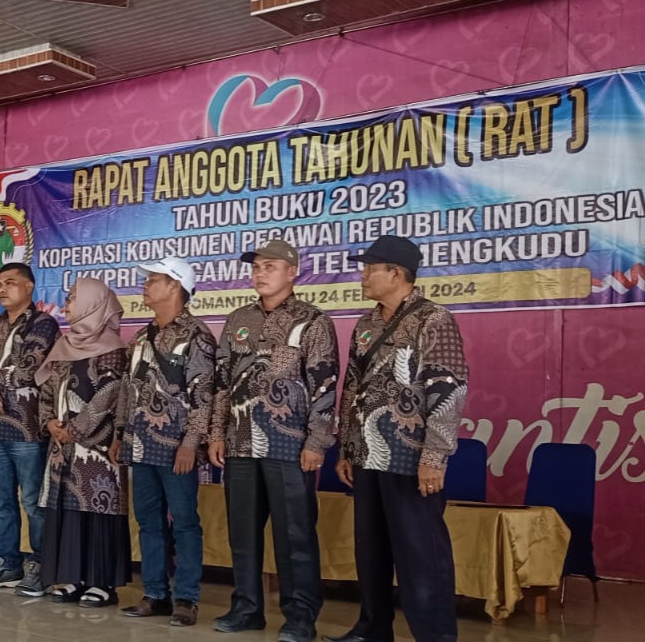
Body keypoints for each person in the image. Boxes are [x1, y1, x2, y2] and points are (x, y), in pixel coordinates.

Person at [326, 235, 468, 642]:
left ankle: (435, 635)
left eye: (371, 268)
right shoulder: (366, 324)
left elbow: (448, 390)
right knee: (370, 548)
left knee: (421, 553)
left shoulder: (433, 319)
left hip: (410, 457)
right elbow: (352, 388)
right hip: (367, 455)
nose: (363, 276)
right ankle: (373, 628)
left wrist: (434, 456)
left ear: (397, 274)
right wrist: (347, 447)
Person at [208, 240, 340, 642]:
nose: (260, 273)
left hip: (288, 446)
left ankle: (300, 616)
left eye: (270, 266)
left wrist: (316, 441)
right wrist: (217, 432)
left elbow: (325, 385)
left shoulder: (312, 321)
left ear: (292, 272)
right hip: (240, 442)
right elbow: (221, 382)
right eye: (256, 267)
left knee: (295, 535)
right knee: (242, 533)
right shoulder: (238, 319)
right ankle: (247, 608)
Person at [113, 256, 214, 627]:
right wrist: (121, 433)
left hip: (176, 449)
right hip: (140, 444)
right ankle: (155, 594)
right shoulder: (142, 337)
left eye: (153, 279)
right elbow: (128, 389)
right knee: (149, 522)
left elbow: (204, 395)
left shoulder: (197, 336)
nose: (145, 285)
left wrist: (191, 442)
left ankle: (186, 598)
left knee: (185, 522)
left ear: (174, 286)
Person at [36, 278, 131, 608]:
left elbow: (108, 395)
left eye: (73, 298)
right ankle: (72, 576)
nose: (66, 304)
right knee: (68, 511)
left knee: (97, 509)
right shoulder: (63, 346)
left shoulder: (112, 348)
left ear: (93, 303)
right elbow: (47, 391)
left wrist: (74, 430)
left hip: (97, 448)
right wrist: (49, 421)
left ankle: (102, 582)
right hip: (62, 447)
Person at [0, 263, 61, 595]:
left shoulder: (43, 324)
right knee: (0, 503)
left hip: (27, 428)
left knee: (33, 502)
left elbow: (27, 369)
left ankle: (39, 565)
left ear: (29, 287)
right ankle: (7, 562)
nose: (3, 289)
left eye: (11, 283)